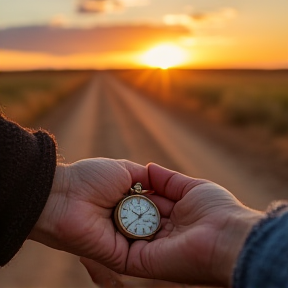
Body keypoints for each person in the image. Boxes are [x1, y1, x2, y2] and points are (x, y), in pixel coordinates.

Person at [1, 114, 288, 288]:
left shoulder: (137, 208)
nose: (140, 217)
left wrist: (50, 190)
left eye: (140, 215)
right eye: (136, 215)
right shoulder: (133, 205)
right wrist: (54, 190)